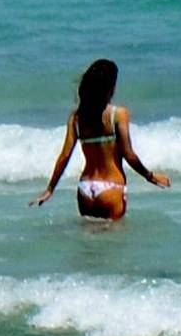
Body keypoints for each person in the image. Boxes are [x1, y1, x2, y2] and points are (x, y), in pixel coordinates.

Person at [34, 57, 168, 222]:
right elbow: (129, 154)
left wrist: (50, 189)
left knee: (89, 245)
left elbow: (64, 156)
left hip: (85, 189)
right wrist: (150, 176)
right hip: (111, 188)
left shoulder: (76, 118)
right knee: (113, 244)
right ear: (110, 87)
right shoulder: (118, 114)